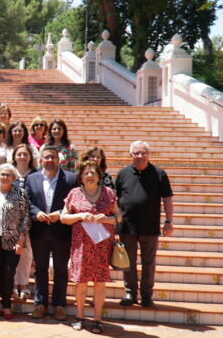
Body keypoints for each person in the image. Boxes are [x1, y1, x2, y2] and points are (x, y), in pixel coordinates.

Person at [61, 161, 121, 333]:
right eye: (86, 173)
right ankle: (79, 316)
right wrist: (79, 215)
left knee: (100, 282)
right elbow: (64, 218)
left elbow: (119, 216)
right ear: (81, 176)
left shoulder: (109, 193)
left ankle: (97, 319)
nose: (89, 176)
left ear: (98, 176)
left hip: (102, 245)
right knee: (80, 282)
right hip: (81, 246)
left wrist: (106, 218)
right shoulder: (74, 193)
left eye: (92, 173)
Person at [116, 141, 174, 308]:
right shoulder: (122, 174)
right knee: (128, 262)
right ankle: (130, 293)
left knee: (149, 263)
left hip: (150, 227)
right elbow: (115, 199)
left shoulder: (159, 174)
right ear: (130, 155)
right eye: (136, 153)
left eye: (143, 153)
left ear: (149, 154)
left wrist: (169, 221)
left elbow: (167, 199)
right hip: (127, 227)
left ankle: (146, 295)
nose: (140, 156)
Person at [23, 145, 79, 320]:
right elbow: (27, 201)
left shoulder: (70, 178)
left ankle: (59, 305)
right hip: (39, 231)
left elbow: (75, 201)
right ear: (40, 159)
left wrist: (60, 214)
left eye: (53, 157)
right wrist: (35, 213)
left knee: (61, 269)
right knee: (40, 269)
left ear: (58, 159)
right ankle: (40, 304)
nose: (49, 160)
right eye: (46, 157)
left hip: (61, 231)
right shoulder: (31, 179)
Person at [0, 164, 30, 320]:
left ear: (13, 178)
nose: (4, 177)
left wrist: (21, 239)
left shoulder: (20, 193)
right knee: (0, 272)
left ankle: (7, 307)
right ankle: (5, 305)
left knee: (8, 272)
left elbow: (25, 217)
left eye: (8, 175)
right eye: (2, 174)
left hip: (13, 239)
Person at [12, 143, 36, 300]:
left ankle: (24, 284)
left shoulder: (36, 174)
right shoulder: (9, 172)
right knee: (12, 252)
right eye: (19, 154)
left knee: (27, 253)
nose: (22, 157)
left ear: (30, 157)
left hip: (29, 219)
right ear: (14, 156)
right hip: (11, 220)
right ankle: (13, 284)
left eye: (25, 154)